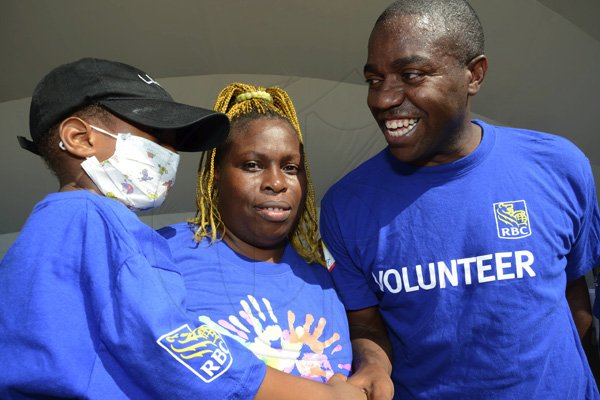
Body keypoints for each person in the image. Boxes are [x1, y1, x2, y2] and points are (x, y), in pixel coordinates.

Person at [0, 59, 363, 400]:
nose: (169, 154)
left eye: (173, 143)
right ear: (80, 137)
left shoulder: (56, 223)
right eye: (157, 136)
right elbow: (172, 346)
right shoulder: (89, 217)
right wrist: (323, 394)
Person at [319, 1, 600, 399]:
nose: (382, 100)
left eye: (410, 75)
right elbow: (365, 324)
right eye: (374, 79)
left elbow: (574, 291)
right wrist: (373, 363)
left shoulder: (560, 166)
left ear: (474, 74)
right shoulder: (346, 205)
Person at [158, 82, 365, 398]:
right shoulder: (162, 254)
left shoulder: (326, 272)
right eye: (253, 165)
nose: (277, 183)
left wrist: (374, 366)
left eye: (290, 167)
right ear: (216, 172)